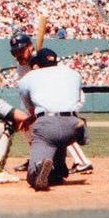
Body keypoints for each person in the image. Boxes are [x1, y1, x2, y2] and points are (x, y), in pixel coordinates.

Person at [8, 34, 95, 175]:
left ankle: (82, 162)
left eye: (21, 51)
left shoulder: (45, 57)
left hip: (66, 99)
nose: (18, 55)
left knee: (57, 125)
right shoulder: (22, 68)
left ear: (30, 47)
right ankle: (37, 157)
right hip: (43, 102)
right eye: (15, 52)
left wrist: (38, 68)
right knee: (29, 127)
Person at [18, 48, 89, 191]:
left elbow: (31, 111)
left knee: (46, 139)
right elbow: (75, 98)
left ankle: (38, 169)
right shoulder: (74, 74)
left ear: (37, 64)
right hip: (73, 125)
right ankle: (58, 171)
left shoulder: (28, 77)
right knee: (58, 139)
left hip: (48, 124)